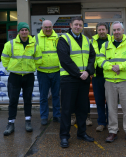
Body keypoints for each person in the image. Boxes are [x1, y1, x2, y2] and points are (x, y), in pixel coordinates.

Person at [97, 21, 126, 144]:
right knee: (111, 108)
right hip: (110, 81)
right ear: (112, 32)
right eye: (114, 30)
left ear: (123, 30)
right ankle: (112, 131)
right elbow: (99, 59)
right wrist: (111, 67)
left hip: (125, 81)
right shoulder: (105, 45)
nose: (116, 32)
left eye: (118, 30)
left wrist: (120, 67)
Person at [57, 16, 96, 148]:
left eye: (80, 25)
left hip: (83, 79)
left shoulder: (86, 39)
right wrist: (78, 74)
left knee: (83, 108)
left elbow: (92, 56)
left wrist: (88, 72)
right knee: (67, 109)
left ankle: (82, 133)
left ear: (82, 26)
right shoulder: (63, 39)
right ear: (71, 25)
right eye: (76, 24)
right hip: (69, 79)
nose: (78, 27)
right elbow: (64, 59)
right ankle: (64, 136)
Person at [1, 22, 42, 136]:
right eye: (22, 30)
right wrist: (8, 68)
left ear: (29, 31)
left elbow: (38, 59)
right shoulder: (11, 44)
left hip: (29, 76)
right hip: (15, 76)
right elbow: (4, 58)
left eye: (26, 30)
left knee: (27, 99)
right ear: (18, 32)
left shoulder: (34, 45)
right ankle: (10, 123)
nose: (24, 31)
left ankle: (28, 122)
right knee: (13, 100)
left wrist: (33, 67)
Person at [34, 20, 61, 125]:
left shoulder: (58, 38)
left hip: (56, 71)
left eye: (50, 27)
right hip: (42, 72)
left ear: (52, 27)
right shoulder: (35, 38)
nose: (48, 29)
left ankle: (56, 115)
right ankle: (44, 117)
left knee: (56, 96)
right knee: (43, 96)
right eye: (46, 27)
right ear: (42, 27)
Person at [90, 22, 111, 132]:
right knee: (99, 100)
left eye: (103, 29)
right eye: (99, 30)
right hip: (97, 76)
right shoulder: (92, 42)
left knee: (111, 101)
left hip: (110, 76)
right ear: (96, 31)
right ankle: (101, 123)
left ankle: (111, 123)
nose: (101, 32)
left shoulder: (112, 41)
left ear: (107, 31)